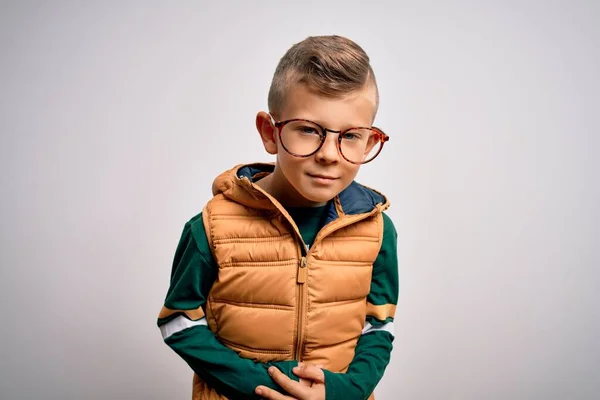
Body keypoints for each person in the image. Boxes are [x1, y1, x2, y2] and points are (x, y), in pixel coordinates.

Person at [157, 35, 399, 400]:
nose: (330, 155)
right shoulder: (212, 226)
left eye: (350, 136)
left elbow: (378, 326)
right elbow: (177, 322)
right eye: (308, 130)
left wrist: (344, 391)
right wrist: (262, 387)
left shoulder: (377, 228)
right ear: (270, 133)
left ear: (367, 142)